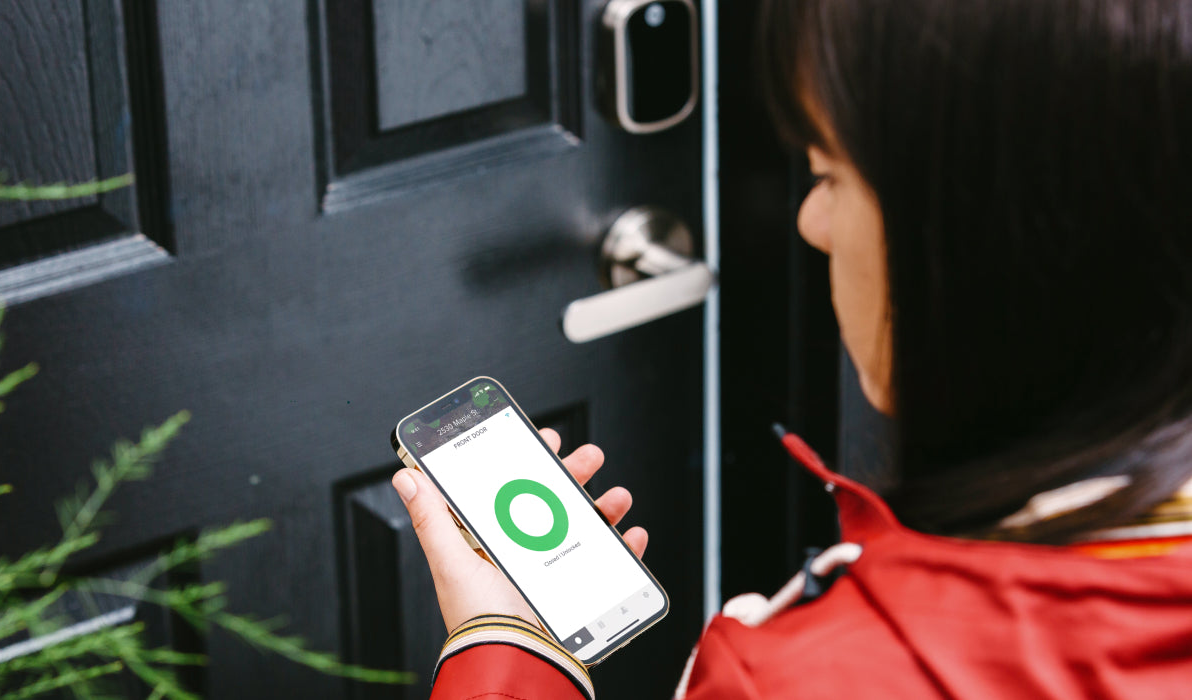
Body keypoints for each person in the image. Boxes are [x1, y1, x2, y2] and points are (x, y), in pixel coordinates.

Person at [392, 0, 1192, 696]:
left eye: (831, 175)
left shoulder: (806, 680)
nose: (810, 223)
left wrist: (505, 648)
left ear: (986, 242)